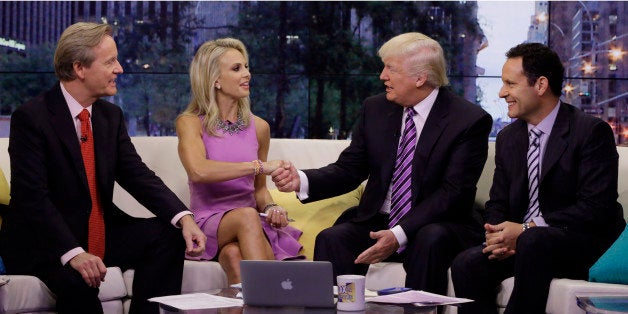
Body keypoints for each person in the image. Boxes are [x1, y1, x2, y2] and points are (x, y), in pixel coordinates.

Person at [0, 22, 207, 313]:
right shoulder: (31, 118)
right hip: (45, 241)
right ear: (79, 68)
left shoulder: (110, 116)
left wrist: (184, 218)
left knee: (167, 237)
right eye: (110, 61)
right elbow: (33, 198)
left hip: (97, 232)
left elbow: (137, 175)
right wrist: (74, 253)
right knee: (79, 286)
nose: (119, 69)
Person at [271, 32, 492, 295]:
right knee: (334, 238)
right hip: (380, 219)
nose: (382, 76)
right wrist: (302, 180)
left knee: (429, 238)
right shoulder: (376, 108)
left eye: (391, 68)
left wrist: (399, 234)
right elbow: (350, 169)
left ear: (420, 78)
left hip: (439, 222)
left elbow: (453, 193)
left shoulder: (468, 120)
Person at [451, 43, 626, 314]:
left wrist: (525, 229)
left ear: (541, 85)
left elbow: (595, 208)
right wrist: (498, 234)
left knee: (535, 241)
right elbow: (497, 202)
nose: (502, 93)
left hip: (580, 242)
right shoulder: (509, 138)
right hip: (527, 243)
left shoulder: (591, 132)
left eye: (510, 83)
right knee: (467, 263)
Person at [176, 38, 303, 285]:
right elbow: (198, 171)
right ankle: (273, 301)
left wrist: (270, 208)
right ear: (215, 80)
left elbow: (259, 190)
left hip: (252, 223)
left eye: (246, 67)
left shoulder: (260, 128)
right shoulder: (190, 122)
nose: (247, 74)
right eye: (236, 69)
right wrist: (258, 166)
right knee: (246, 216)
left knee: (234, 256)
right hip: (210, 220)